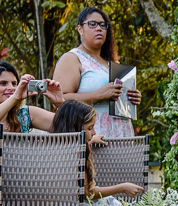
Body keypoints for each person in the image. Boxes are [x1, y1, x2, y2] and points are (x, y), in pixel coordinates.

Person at [44, 101, 147, 206]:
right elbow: (88, 193)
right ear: (75, 128)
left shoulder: (57, 149)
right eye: (90, 128)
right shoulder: (77, 156)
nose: (94, 132)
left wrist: (91, 140)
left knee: (115, 205)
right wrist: (122, 187)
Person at [52, 7, 142, 140]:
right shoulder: (72, 58)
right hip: (93, 134)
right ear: (80, 29)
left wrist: (131, 97)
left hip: (121, 133)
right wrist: (98, 95)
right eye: (92, 24)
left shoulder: (111, 61)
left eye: (102, 25)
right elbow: (58, 100)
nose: (99, 28)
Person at [0, 61, 64, 133]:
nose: (11, 88)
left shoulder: (24, 114)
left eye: (14, 83)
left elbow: (71, 125)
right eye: (3, 83)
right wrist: (14, 98)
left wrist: (60, 104)